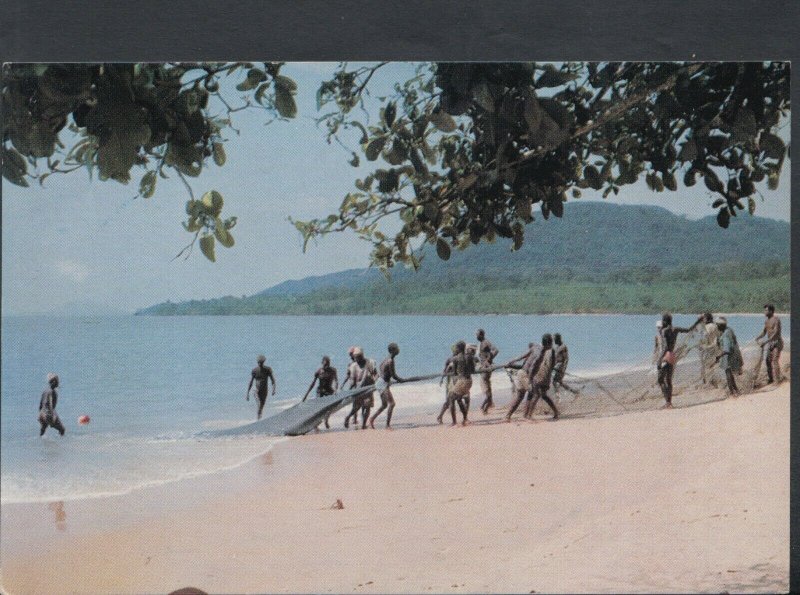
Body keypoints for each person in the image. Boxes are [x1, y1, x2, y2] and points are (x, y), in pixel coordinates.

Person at [657, 313, 702, 408]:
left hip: (666, 355)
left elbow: (665, 347)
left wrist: (660, 360)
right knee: (669, 380)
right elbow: (689, 329)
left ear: (664, 321)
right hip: (673, 355)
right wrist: (698, 321)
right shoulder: (676, 329)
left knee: (661, 380)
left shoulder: (665, 331)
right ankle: (670, 403)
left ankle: (667, 402)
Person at [504, 341, 544, 421]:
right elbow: (532, 367)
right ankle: (527, 416)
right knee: (533, 393)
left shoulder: (533, 348)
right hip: (525, 375)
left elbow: (521, 357)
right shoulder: (540, 353)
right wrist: (530, 379)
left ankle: (508, 416)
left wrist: (511, 361)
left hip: (521, 373)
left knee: (520, 397)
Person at [370, 343, 405, 429]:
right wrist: (401, 380)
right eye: (397, 348)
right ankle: (387, 425)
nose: (398, 350)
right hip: (382, 384)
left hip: (382, 382)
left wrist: (388, 380)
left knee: (385, 405)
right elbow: (393, 375)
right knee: (392, 404)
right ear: (393, 350)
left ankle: (372, 419)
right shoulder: (390, 361)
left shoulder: (386, 359)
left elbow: (382, 369)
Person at [437, 341, 472, 426]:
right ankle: (463, 419)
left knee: (452, 398)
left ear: (458, 349)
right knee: (455, 399)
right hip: (463, 381)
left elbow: (455, 372)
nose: (455, 350)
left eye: (456, 348)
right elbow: (472, 370)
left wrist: (453, 369)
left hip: (460, 381)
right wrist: (442, 378)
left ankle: (455, 422)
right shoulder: (467, 357)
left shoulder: (455, 359)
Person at [526, 334, 559, 420]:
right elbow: (552, 364)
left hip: (539, 375)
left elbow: (533, 365)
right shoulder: (550, 351)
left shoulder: (542, 350)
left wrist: (530, 378)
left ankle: (529, 415)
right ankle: (556, 412)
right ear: (549, 343)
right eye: (551, 342)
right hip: (543, 375)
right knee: (543, 395)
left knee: (537, 395)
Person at [302, 356, 339, 429]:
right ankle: (316, 424)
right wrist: (306, 395)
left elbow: (336, 381)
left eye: (328, 364)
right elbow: (313, 384)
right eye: (325, 364)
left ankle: (326, 421)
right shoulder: (319, 371)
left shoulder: (333, 370)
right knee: (317, 409)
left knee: (329, 408)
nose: (326, 366)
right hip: (320, 391)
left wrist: (335, 390)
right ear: (322, 363)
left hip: (329, 390)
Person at [346, 347, 379, 430]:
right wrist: (349, 391)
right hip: (358, 390)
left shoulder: (370, 362)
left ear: (362, 355)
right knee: (356, 407)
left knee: (367, 407)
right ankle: (348, 417)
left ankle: (363, 425)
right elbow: (353, 381)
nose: (357, 359)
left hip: (368, 389)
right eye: (356, 357)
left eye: (359, 357)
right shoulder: (353, 366)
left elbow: (376, 374)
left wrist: (375, 380)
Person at [714, 317, 742, 397]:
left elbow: (727, 350)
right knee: (730, 373)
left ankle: (732, 392)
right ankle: (736, 391)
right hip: (733, 354)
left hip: (729, 356)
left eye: (717, 325)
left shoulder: (726, 334)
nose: (716, 326)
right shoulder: (728, 330)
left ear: (720, 325)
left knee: (728, 374)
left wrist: (718, 356)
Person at [756, 304, 783, 384]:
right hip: (770, 343)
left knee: (775, 361)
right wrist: (758, 337)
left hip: (777, 343)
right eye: (765, 310)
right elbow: (764, 332)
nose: (765, 312)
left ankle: (777, 381)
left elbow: (776, 332)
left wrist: (766, 342)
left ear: (771, 311)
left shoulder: (776, 320)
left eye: (766, 310)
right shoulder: (766, 321)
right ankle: (771, 379)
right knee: (767, 361)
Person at [476, 329, 499, 414]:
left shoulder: (486, 342)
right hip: (484, 367)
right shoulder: (481, 343)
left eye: (477, 335)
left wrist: (488, 360)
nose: (476, 336)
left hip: (486, 368)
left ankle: (484, 408)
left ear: (481, 335)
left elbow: (496, 350)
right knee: (487, 386)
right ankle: (485, 406)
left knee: (486, 387)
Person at [246, 355, 276, 419]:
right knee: (259, 405)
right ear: (257, 362)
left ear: (263, 362)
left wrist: (274, 389)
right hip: (256, 391)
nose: (260, 364)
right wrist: (247, 393)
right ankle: (258, 420)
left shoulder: (268, 369)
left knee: (261, 407)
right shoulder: (254, 370)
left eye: (261, 362)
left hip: (264, 391)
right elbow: (251, 382)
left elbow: (273, 380)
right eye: (259, 362)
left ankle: (259, 419)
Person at [698, 312, 721, 384]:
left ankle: (708, 383)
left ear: (706, 319)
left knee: (706, 367)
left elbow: (705, 338)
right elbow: (719, 338)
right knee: (711, 367)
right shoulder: (715, 326)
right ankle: (712, 381)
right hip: (715, 349)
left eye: (704, 318)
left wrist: (701, 346)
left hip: (708, 349)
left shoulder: (707, 327)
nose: (703, 320)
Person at [342, 347, 362, 428]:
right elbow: (348, 375)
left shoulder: (360, 362)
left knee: (357, 402)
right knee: (356, 402)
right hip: (353, 385)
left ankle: (354, 418)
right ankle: (353, 418)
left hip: (359, 384)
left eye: (351, 354)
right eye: (350, 355)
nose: (351, 356)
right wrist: (343, 384)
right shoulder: (350, 364)